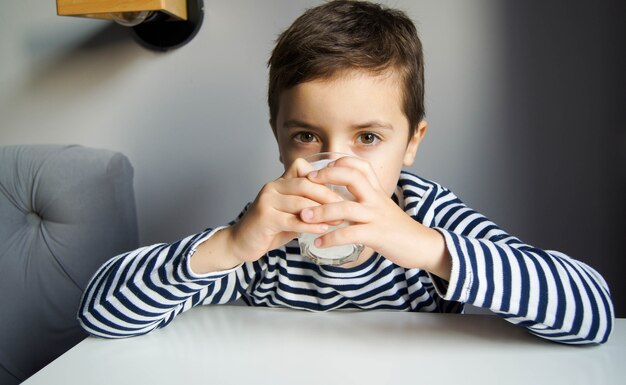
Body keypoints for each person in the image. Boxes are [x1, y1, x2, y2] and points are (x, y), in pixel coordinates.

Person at [78, 0, 613, 344]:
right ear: (279, 139)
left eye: (368, 138)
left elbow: (591, 311)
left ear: (411, 144)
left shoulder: (427, 215)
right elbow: (99, 312)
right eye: (307, 136)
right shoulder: (269, 229)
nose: (337, 166)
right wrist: (233, 244)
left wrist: (428, 248)